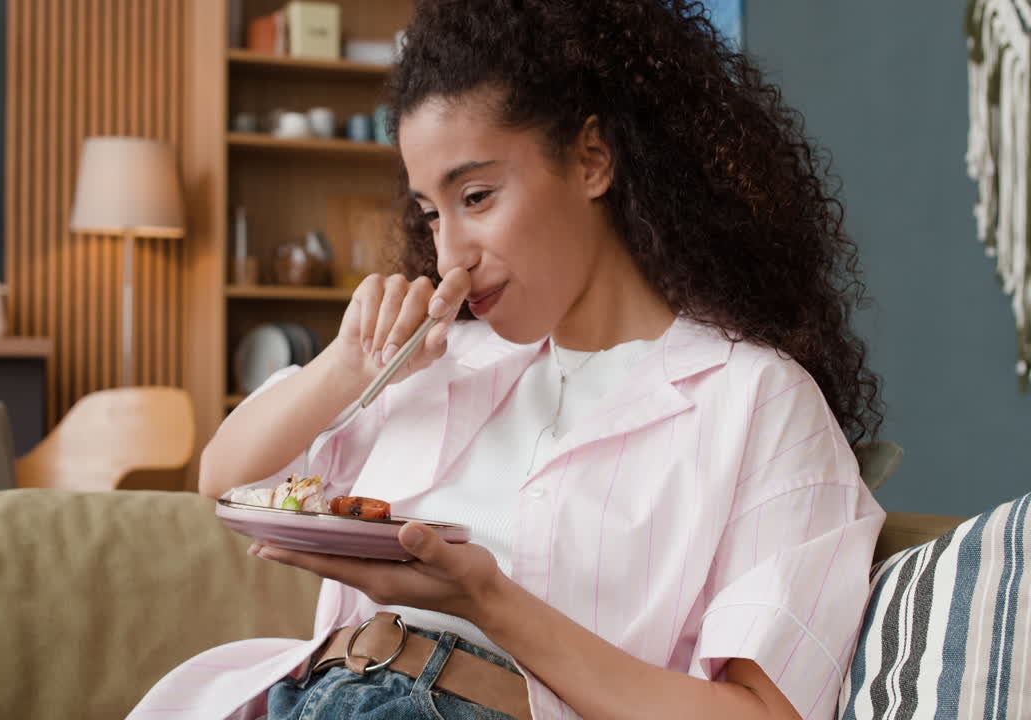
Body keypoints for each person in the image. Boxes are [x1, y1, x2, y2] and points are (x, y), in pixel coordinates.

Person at [128, 1, 886, 718]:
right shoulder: (439, 362)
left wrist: (488, 602)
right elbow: (225, 478)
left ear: (592, 160)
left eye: (479, 196)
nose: (449, 250)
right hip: (312, 692)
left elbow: (763, 712)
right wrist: (348, 366)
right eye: (429, 212)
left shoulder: (755, 398)